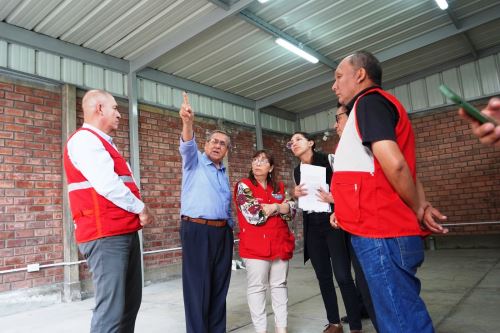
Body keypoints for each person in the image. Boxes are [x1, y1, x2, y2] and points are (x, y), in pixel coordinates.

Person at [330, 50, 449, 333]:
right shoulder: (371, 107)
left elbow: (395, 166)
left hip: (381, 232)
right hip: (380, 230)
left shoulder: (369, 103)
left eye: (338, 77)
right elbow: (398, 168)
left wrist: (419, 208)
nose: (334, 86)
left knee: (399, 320)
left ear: (360, 75)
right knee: (396, 313)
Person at [64, 89, 154, 333]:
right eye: (114, 108)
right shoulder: (84, 140)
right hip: (105, 236)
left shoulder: (103, 143)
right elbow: (108, 185)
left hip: (121, 232)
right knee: (111, 313)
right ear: (99, 109)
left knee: (128, 306)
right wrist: (141, 208)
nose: (119, 115)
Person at [288, 132, 362, 333]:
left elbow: (348, 189)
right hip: (312, 224)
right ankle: (335, 323)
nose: (293, 143)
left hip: (333, 222)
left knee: (343, 275)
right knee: (323, 276)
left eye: (298, 140)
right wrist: (294, 195)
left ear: (311, 143)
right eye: (291, 142)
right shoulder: (297, 171)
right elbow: (301, 200)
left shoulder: (329, 160)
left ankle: (355, 326)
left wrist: (335, 201)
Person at [179, 92, 234, 333]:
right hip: (197, 230)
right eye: (214, 141)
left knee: (219, 286)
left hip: (222, 234)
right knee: (198, 288)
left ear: (226, 150)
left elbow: (225, 206)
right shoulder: (194, 162)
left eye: (222, 144)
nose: (217, 146)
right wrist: (188, 122)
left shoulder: (223, 173)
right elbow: (187, 144)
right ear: (206, 144)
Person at [326, 104, 377, 331]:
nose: (334, 124)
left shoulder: (364, 143)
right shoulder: (344, 149)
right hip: (352, 223)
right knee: (365, 283)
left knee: (374, 283)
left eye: (338, 118)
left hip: (371, 226)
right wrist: (340, 211)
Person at [234, 150, 296, 333]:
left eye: (262, 161)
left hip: (280, 243)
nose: (257, 164)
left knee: (279, 286)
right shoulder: (243, 186)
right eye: (254, 160)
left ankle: (281, 328)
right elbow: (255, 215)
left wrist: (275, 206)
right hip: (255, 247)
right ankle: (261, 330)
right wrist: (281, 208)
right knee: (257, 288)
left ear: (271, 167)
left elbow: (291, 213)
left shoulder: (278, 187)